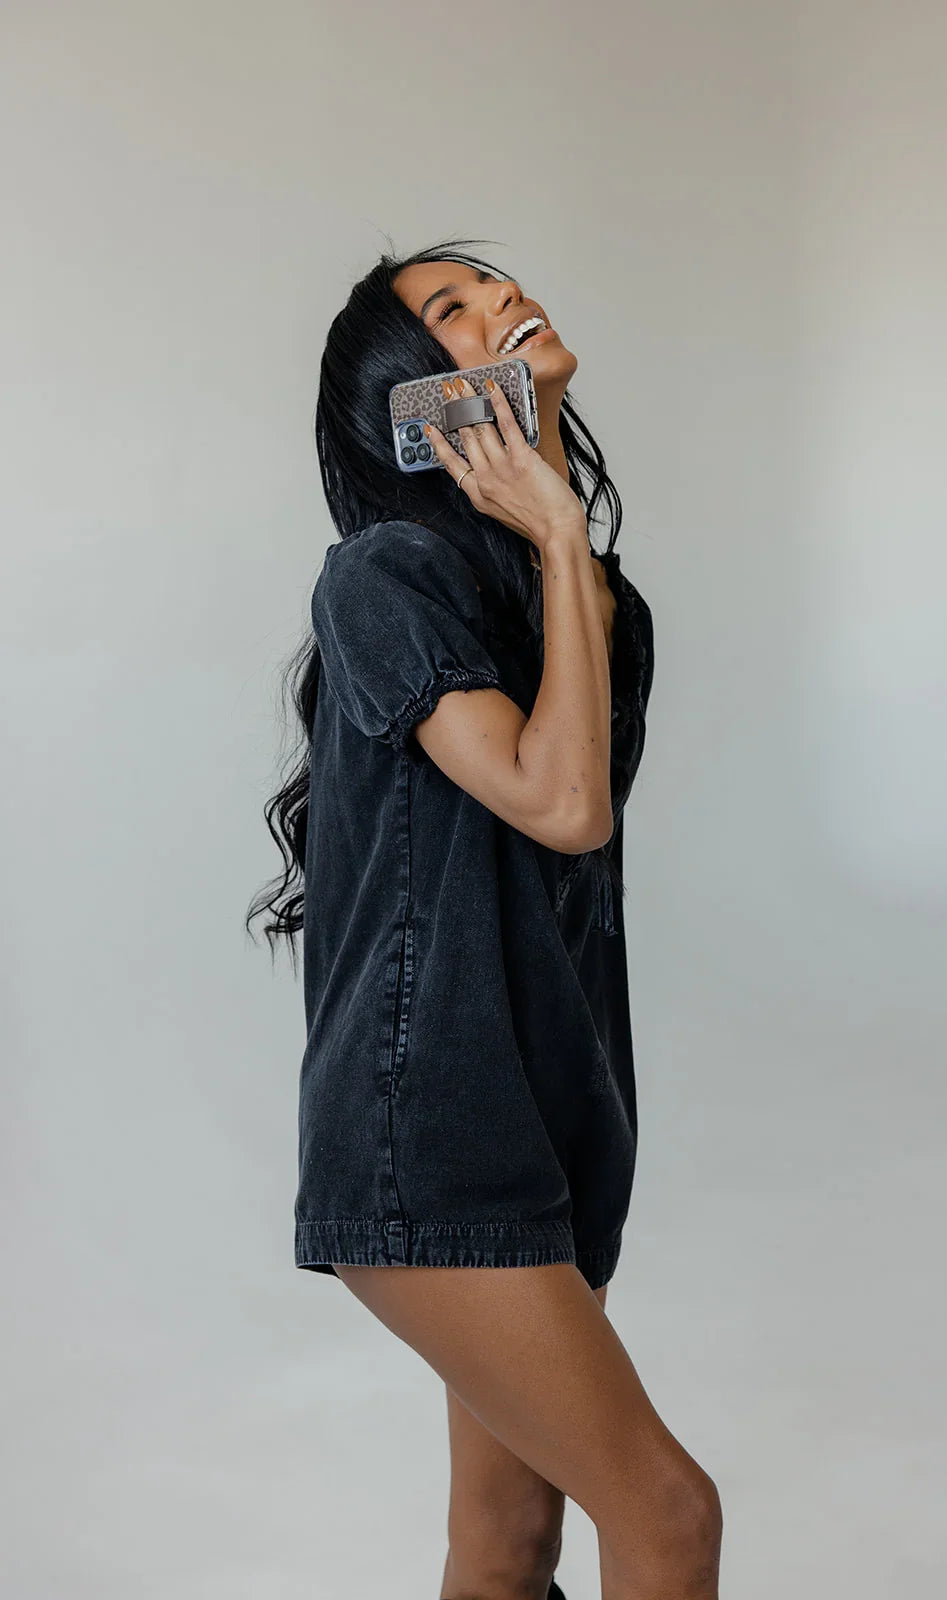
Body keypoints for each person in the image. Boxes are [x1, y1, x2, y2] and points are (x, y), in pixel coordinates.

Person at [247, 237, 724, 1600]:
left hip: (554, 1121)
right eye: (453, 309)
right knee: (669, 1515)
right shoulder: (383, 576)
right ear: (411, 400)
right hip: (427, 1125)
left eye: (494, 281)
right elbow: (560, 801)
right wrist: (559, 528)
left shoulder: (597, 608)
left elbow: (574, 849)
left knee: (506, 1547)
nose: (504, 299)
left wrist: (564, 553)